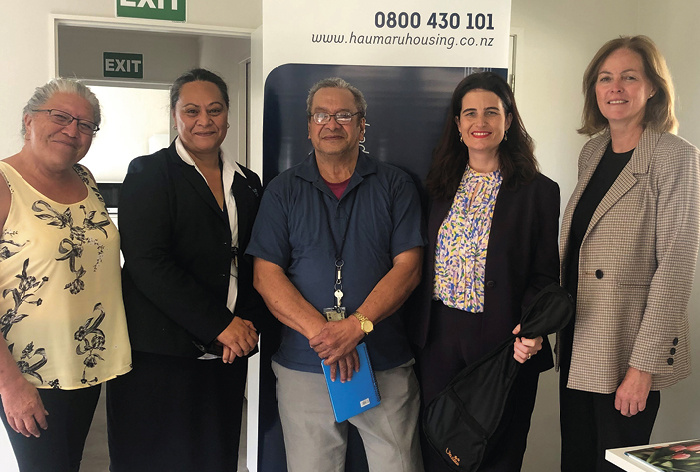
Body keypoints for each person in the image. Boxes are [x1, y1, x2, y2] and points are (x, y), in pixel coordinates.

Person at [247, 77, 425, 472]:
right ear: (308, 126)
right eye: (321, 115)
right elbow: (265, 275)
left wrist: (357, 326)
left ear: (362, 126)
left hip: (384, 363)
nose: (332, 124)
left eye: (344, 115)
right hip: (306, 365)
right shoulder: (282, 191)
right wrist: (325, 336)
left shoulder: (396, 185)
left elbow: (408, 269)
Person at [106, 68, 264, 471]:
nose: (203, 121)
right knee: (154, 458)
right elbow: (147, 263)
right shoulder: (149, 172)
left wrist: (243, 327)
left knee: (214, 455)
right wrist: (219, 324)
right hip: (160, 353)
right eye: (191, 110)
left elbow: (253, 261)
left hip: (227, 353)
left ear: (228, 115)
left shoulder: (248, 182)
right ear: (175, 115)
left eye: (214, 110)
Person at [559, 35, 700, 472]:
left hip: (626, 351)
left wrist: (643, 368)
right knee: (577, 461)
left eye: (628, 77)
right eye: (605, 78)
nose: (615, 87)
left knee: (614, 466)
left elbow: (675, 267)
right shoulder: (593, 151)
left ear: (652, 87)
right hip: (579, 341)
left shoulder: (676, 157)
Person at [409, 71, 560, 472]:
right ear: (457, 124)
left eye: (491, 112)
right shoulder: (437, 187)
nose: (481, 122)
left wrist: (533, 330)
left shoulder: (540, 191)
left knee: (497, 450)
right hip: (438, 337)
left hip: (502, 342)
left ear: (508, 121)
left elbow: (545, 276)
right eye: (470, 113)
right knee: (439, 447)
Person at [0, 78, 131, 471]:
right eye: (60, 117)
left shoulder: (86, 179)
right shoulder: (5, 184)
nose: (73, 130)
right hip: (30, 371)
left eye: (86, 124)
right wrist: (9, 384)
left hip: (88, 362)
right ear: (28, 121)